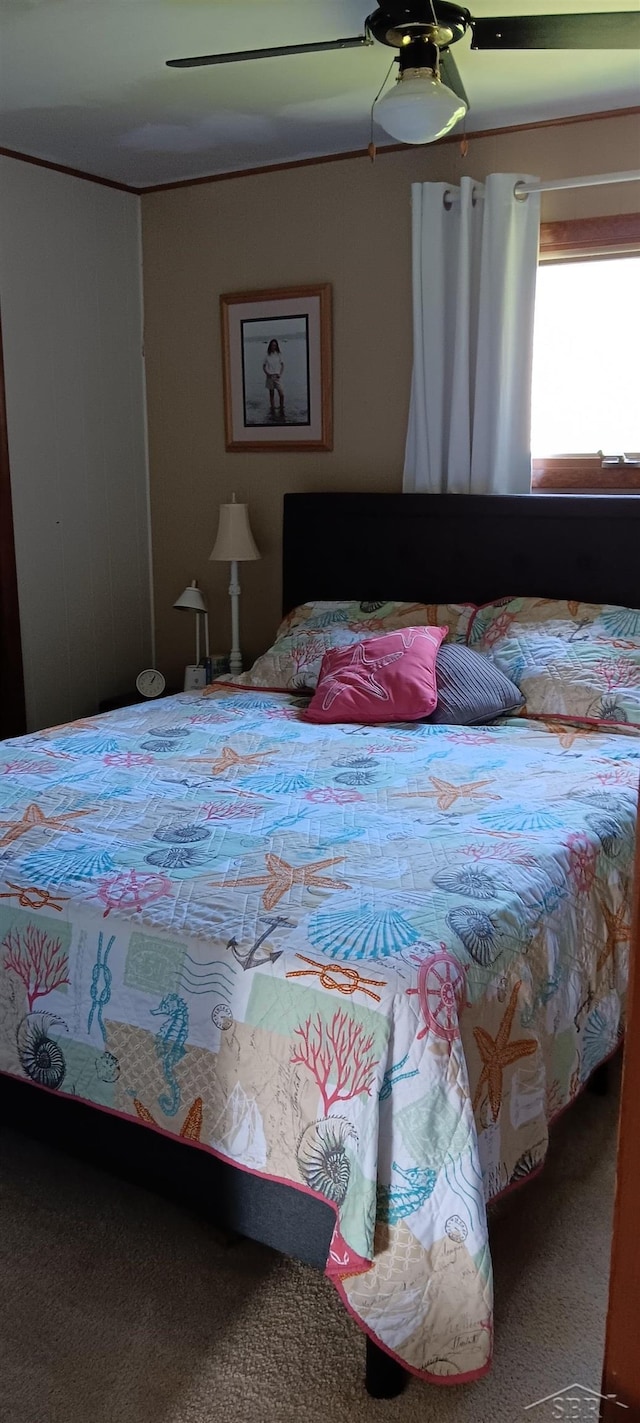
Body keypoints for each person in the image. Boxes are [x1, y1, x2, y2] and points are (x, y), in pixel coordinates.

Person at [263, 339, 285, 418]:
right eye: (272, 345)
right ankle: (272, 408)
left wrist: (280, 374)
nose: (274, 346)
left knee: (281, 394)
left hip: (277, 376)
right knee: (271, 394)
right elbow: (264, 366)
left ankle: (281, 407)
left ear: (277, 346)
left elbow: (282, 365)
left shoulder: (279, 354)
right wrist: (267, 373)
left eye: (275, 345)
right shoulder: (267, 355)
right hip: (270, 376)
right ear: (270, 346)